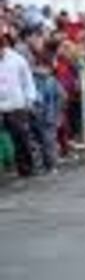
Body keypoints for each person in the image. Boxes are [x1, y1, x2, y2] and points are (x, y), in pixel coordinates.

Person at [0, 24, 37, 177]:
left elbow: (27, 81)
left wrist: (30, 99)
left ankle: (26, 168)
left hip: (16, 106)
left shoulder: (17, 60)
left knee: (21, 138)